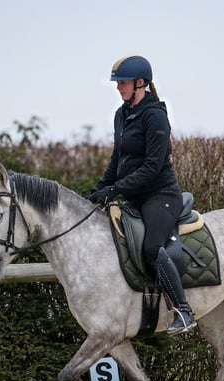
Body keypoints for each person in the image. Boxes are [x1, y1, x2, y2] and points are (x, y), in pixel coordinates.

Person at [88, 55, 196, 335]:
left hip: (160, 195)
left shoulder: (155, 115)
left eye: (122, 83)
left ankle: (183, 311)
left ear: (140, 83)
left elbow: (152, 166)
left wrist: (118, 188)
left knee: (151, 248)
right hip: (134, 196)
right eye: (118, 83)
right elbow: (118, 159)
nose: (118, 88)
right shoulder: (121, 115)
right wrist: (100, 188)